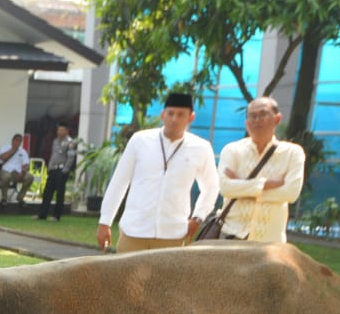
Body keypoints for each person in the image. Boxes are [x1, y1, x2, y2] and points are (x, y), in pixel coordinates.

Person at [97, 92, 219, 253]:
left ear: (191, 117)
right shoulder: (140, 140)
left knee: (166, 279)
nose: (174, 119)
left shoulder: (201, 148)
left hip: (172, 233)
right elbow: (119, 182)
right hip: (134, 229)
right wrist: (105, 221)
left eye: (181, 114)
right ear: (163, 115)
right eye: (170, 113)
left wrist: (198, 218)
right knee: (125, 278)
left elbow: (211, 187)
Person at [218, 96, 305, 243]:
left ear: (277, 119)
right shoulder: (232, 150)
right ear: (246, 123)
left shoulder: (292, 153)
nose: (257, 120)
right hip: (232, 234)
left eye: (263, 114)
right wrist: (266, 185)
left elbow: (291, 193)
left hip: (270, 239)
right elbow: (225, 188)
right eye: (252, 116)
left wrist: (241, 186)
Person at [35, 122, 76, 221]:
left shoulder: (70, 142)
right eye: (58, 130)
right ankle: (42, 214)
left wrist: (65, 170)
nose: (59, 132)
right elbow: (53, 155)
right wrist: (49, 167)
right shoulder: (55, 141)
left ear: (66, 131)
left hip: (61, 170)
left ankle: (56, 216)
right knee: (47, 192)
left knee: (59, 193)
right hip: (53, 169)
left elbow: (71, 157)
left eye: (62, 130)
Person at [0, 133, 32, 200]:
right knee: (6, 177)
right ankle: (4, 198)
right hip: (6, 170)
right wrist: (13, 150)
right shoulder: (5, 148)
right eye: (16, 140)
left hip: (18, 172)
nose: (18, 142)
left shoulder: (23, 151)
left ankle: (20, 197)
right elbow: (3, 158)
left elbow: (26, 164)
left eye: (20, 141)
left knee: (30, 177)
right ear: (12, 140)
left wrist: (23, 172)